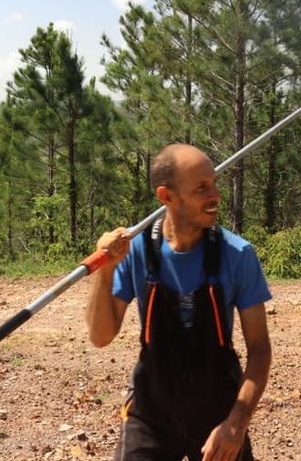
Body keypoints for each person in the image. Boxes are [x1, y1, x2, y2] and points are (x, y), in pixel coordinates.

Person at [86, 143, 272, 461]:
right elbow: (101, 337)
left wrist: (236, 424)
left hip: (218, 406)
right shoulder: (138, 251)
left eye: (213, 183)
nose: (215, 196)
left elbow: (260, 349)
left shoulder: (238, 254)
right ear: (167, 197)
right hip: (151, 407)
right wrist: (105, 272)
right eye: (202, 188)